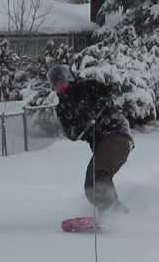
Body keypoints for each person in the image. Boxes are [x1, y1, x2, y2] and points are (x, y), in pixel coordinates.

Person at [47, 64, 134, 215]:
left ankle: (115, 213)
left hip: (116, 134)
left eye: (61, 82)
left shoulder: (86, 87)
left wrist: (104, 97)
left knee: (98, 176)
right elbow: (73, 134)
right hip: (102, 143)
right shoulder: (63, 109)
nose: (59, 87)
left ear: (68, 78)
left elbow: (109, 90)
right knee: (90, 185)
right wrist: (84, 121)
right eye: (56, 85)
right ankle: (109, 212)